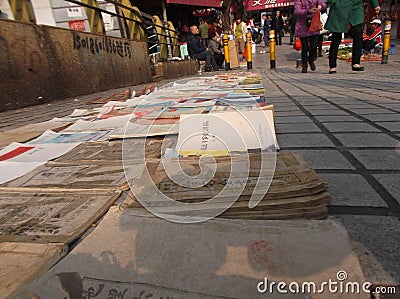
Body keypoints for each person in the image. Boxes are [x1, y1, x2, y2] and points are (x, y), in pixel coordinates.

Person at [325, 0, 380, 73]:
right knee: (336, 39)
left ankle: (356, 63)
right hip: (339, 9)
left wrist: (375, 4)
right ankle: (332, 66)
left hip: (355, 9)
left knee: (358, 36)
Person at [294, 0, 327, 73]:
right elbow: (297, 11)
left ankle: (311, 59)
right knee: (304, 48)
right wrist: (308, 11)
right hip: (302, 26)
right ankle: (304, 65)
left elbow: (324, 4)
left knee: (314, 45)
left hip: (314, 24)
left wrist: (320, 6)